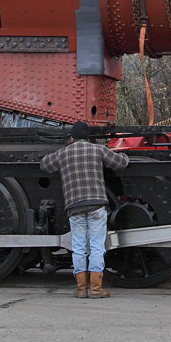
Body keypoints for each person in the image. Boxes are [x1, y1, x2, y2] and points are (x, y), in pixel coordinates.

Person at [40, 121, 130, 298]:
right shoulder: (98, 150)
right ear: (88, 137)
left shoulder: (63, 153)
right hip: (96, 205)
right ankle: (96, 289)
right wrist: (125, 155)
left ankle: (81, 289)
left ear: (72, 137)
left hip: (74, 206)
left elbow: (44, 165)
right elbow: (120, 163)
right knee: (97, 247)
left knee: (79, 248)